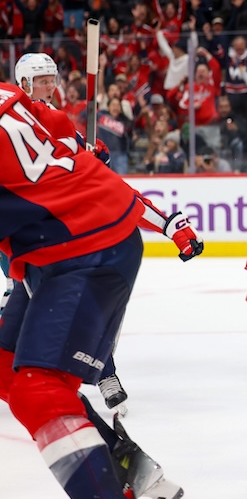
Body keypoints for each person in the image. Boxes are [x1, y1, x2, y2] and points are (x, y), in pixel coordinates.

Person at [0, 81, 203, 499]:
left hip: (86, 247)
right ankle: (125, 469)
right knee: (6, 367)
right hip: (57, 245)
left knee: (38, 388)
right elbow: (57, 128)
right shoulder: (7, 95)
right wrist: (76, 148)